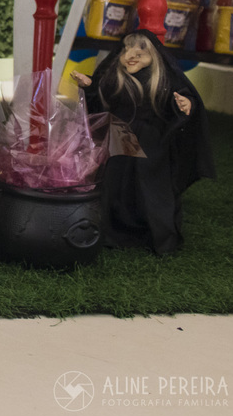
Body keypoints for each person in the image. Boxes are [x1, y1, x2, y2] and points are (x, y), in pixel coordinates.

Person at [71, 29, 215, 255]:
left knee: (153, 188)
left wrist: (186, 104)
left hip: (151, 143)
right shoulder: (115, 77)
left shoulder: (163, 79)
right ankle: (112, 233)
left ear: (154, 55)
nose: (132, 54)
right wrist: (90, 87)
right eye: (127, 49)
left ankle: (160, 237)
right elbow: (99, 104)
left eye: (140, 50)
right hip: (119, 140)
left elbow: (183, 100)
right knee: (114, 185)